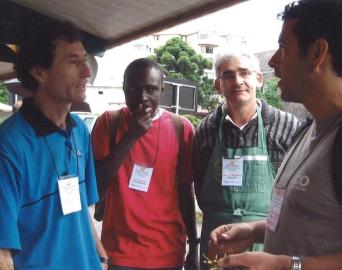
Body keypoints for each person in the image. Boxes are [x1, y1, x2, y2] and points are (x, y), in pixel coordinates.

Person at [208, 1, 342, 269]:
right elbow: (313, 223)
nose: (273, 62)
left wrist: (288, 265)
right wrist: (254, 230)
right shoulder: (307, 130)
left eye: (283, 48)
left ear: (317, 53)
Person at [0, 21, 108, 269]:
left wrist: (100, 256)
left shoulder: (80, 130)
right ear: (40, 72)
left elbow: (80, 207)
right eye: (73, 62)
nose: (86, 72)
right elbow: (2, 253)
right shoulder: (9, 146)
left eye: (85, 60)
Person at [193, 51, 298, 268]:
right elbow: (199, 185)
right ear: (218, 85)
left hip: (269, 246)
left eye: (244, 73)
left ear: (258, 79)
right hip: (216, 242)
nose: (237, 81)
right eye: (228, 75)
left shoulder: (286, 126)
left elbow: (298, 189)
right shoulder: (206, 130)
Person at [91, 58, 198, 269]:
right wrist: (131, 135)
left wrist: (194, 245)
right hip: (120, 254)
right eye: (134, 89)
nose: (143, 98)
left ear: (162, 90)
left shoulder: (181, 128)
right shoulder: (108, 123)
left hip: (167, 254)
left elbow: (186, 190)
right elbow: (97, 183)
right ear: (123, 88)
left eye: (151, 90)